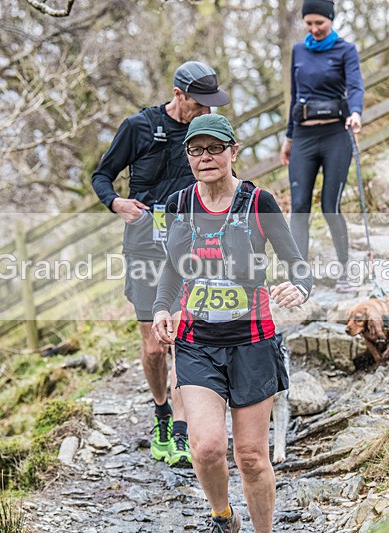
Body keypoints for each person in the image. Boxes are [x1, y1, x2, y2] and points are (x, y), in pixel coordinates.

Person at [152, 114, 312, 533]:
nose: (206, 157)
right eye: (196, 150)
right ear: (187, 156)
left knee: (251, 456)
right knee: (206, 449)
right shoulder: (179, 205)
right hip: (196, 342)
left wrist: (299, 288)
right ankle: (223, 518)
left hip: (252, 343)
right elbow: (171, 268)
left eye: (215, 148)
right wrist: (163, 307)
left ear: (232, 152)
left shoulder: (259, 203)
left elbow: (299, 266)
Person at [92, 61, 230, 467]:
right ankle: (162, 412)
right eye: (199, 104)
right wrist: (115, 202)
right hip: (143, 245)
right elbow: (102, 175)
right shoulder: (139, 127)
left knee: (184, 336)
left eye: (211, 106)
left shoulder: (206, 134)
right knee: (154, 345)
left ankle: (185, 430)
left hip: (191, 242)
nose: (205, 113)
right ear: (178, 95)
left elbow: (226, 179)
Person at [279, 0, 363, 294]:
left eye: (320, 24)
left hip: (336, 137)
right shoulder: (299, 51)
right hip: (303, 136)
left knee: (330, 206)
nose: (313, 29)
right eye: (309, 23)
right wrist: (289, 138)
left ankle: (344, 271)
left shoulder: (345, 50)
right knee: (299, 207)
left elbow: (355, 86)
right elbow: (295, 97)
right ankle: (299, 277)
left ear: (330, 21)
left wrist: (356, 112)